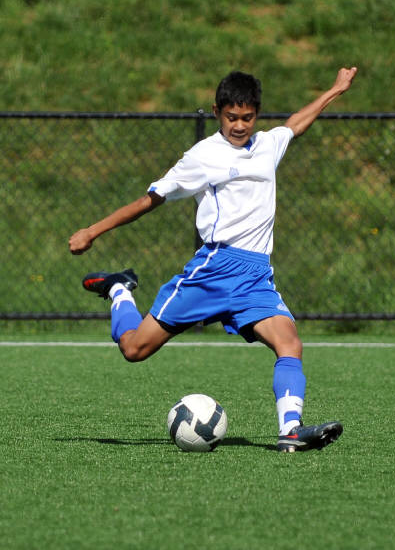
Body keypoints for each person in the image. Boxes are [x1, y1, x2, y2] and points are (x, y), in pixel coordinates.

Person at [69, 66, 358, 452]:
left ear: (257, 114)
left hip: (255, 276)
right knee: (134, 349)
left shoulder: (268, 145)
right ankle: (119, 290)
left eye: (247, 117)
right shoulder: (202, 156)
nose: (239, 125)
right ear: (217, 111)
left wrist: (336, 89)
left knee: (290, 343)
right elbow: (148, 200)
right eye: (231, 117)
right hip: (213, 272)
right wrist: (92, 231)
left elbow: (296, 124)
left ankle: (291, 431)